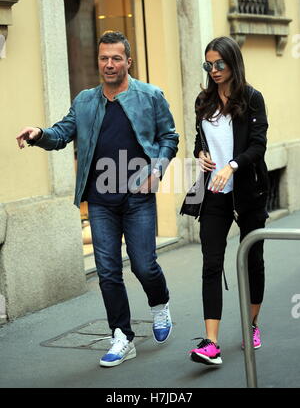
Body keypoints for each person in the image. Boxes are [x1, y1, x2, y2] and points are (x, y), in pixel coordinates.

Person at [16, 31, 179, 367]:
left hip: (137, 196)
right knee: (107, 271)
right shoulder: (86, 101)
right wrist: (39, 135)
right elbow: (62, 133)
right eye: (104, 58)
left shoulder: (150, 96)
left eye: (116, 58)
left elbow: (169, 137)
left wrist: (157, 170)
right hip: (101, 199)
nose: (109, 64)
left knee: (144, 265)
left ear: (128, 61)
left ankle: (160, 304)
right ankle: (121, 336)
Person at [187, 36, 269, 366]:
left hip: (248, 190)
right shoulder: (203, 101)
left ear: (233, 63)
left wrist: (231, 165)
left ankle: (250, 326)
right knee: (211, 262)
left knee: (252, 260)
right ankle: (211, 342)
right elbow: (198, 141)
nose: (215, 70)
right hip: (214, 193)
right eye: (209, 65)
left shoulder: (251, 98)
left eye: (220, 63)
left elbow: (259, 145)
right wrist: (202, 155)